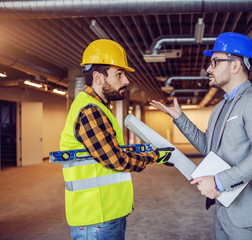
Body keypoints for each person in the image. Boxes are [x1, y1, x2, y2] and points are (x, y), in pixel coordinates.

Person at [150, 32, 252, 240]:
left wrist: (219, 181)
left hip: (249, 215)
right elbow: (206, 147)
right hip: (224, 207)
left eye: (215, 62)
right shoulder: (220, 107)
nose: (208, 69)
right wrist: (180, 118)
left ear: (235, 66)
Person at [59, 39, 174, 240]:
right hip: (96, 218)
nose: (126, 81)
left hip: (103, 214)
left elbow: (111, 150)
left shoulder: (99, 108)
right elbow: (116, 159)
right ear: (98, 78)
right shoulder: (90, 111)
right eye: (119, 74)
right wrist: (153, 157)